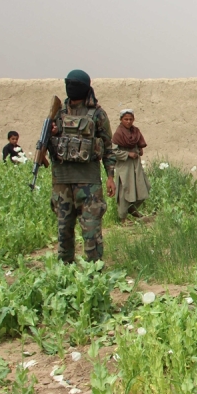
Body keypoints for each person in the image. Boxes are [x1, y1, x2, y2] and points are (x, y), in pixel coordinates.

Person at [48, 69, 116, 263]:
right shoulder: (57, 113)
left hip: (89, 185)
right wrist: (52, 134)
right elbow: (47, 147)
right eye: (69, 84)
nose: (71, 88)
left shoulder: (97, 114)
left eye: (75, 85)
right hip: (62, 183)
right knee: (64, 233)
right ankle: (65, 274)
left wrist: (110, 176)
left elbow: (108, 147)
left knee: (92, 233)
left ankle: (94, 275)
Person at [112, 109, 150, 222]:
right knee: (125, 190)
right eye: (126, 119)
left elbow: (139, 143)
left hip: (136, 164)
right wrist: (127, 154)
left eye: (130, 119)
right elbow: (113, 151)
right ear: (121, 120)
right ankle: (122, 217)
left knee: (144, 187)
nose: (128, 121)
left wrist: (139, 149)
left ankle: (132, 209)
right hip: (124, 166)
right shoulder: (118, 133)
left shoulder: (135, 131)